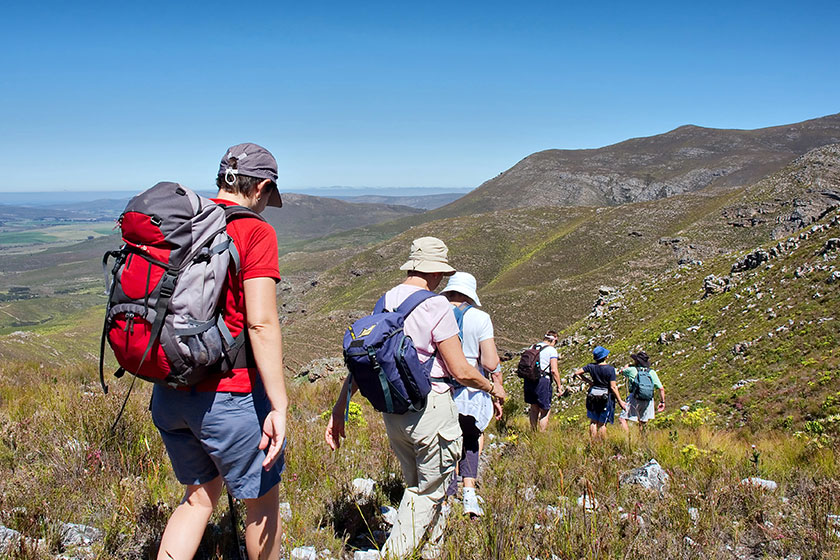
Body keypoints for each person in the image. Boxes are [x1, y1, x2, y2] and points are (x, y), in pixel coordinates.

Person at [151, 143, 288, 560]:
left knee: (198, 498)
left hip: (171, 388)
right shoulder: (255, 231)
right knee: (261, 503)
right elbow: (260, 322)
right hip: (231, 397)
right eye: (268, 196)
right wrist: (279, 404)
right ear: (262, 186)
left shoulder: (184, 221)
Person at [325, 237, 501, 558]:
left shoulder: (386, 300)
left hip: (394, 411)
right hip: (430, 406)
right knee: (429, 492)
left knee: (417, 487)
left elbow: (367, 358)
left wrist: (341, 407)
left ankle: (431, 552)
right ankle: (395, 554)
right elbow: (460, 370)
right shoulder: (436, 305)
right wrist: (492, 388)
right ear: (435, 274)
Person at [440, 272, 506, 517]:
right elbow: (490, 362)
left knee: (444, 441)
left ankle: (444, 496)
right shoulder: (480, 318)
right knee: (471, 437)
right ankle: (469, 493)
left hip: (440, 385)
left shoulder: (437, 312)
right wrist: (497, 391)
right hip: (471, 389)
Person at [574, 345, 627, 441]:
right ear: (605, 357)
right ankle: (602, 444)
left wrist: (589, 382)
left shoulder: (591, 366)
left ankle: (593, 442)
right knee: (602, 423)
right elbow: (613, 387)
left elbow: (577, 373)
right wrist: (620, 401)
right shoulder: (610, 369)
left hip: (593, 395)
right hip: (606, 397)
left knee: (593, 421)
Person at [522, 331, 563, 432]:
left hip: (529, 379)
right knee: (545, 409)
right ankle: (542, 433)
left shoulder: (533, 347)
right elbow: (554, 370)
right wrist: (559, 386)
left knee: (534, 407)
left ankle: (533, 431)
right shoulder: (551, 350)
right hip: (543, 380)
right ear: (553, 340)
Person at [618, 350, 666, 433]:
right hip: (648, 399)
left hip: (634, 398)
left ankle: (627, 440)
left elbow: (621, 371)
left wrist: (627, 366)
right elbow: (661, 388)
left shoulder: (632, 370)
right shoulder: (652, 372)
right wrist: (662, 402)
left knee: (622, 419)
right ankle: (643, 441)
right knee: (643, 422)